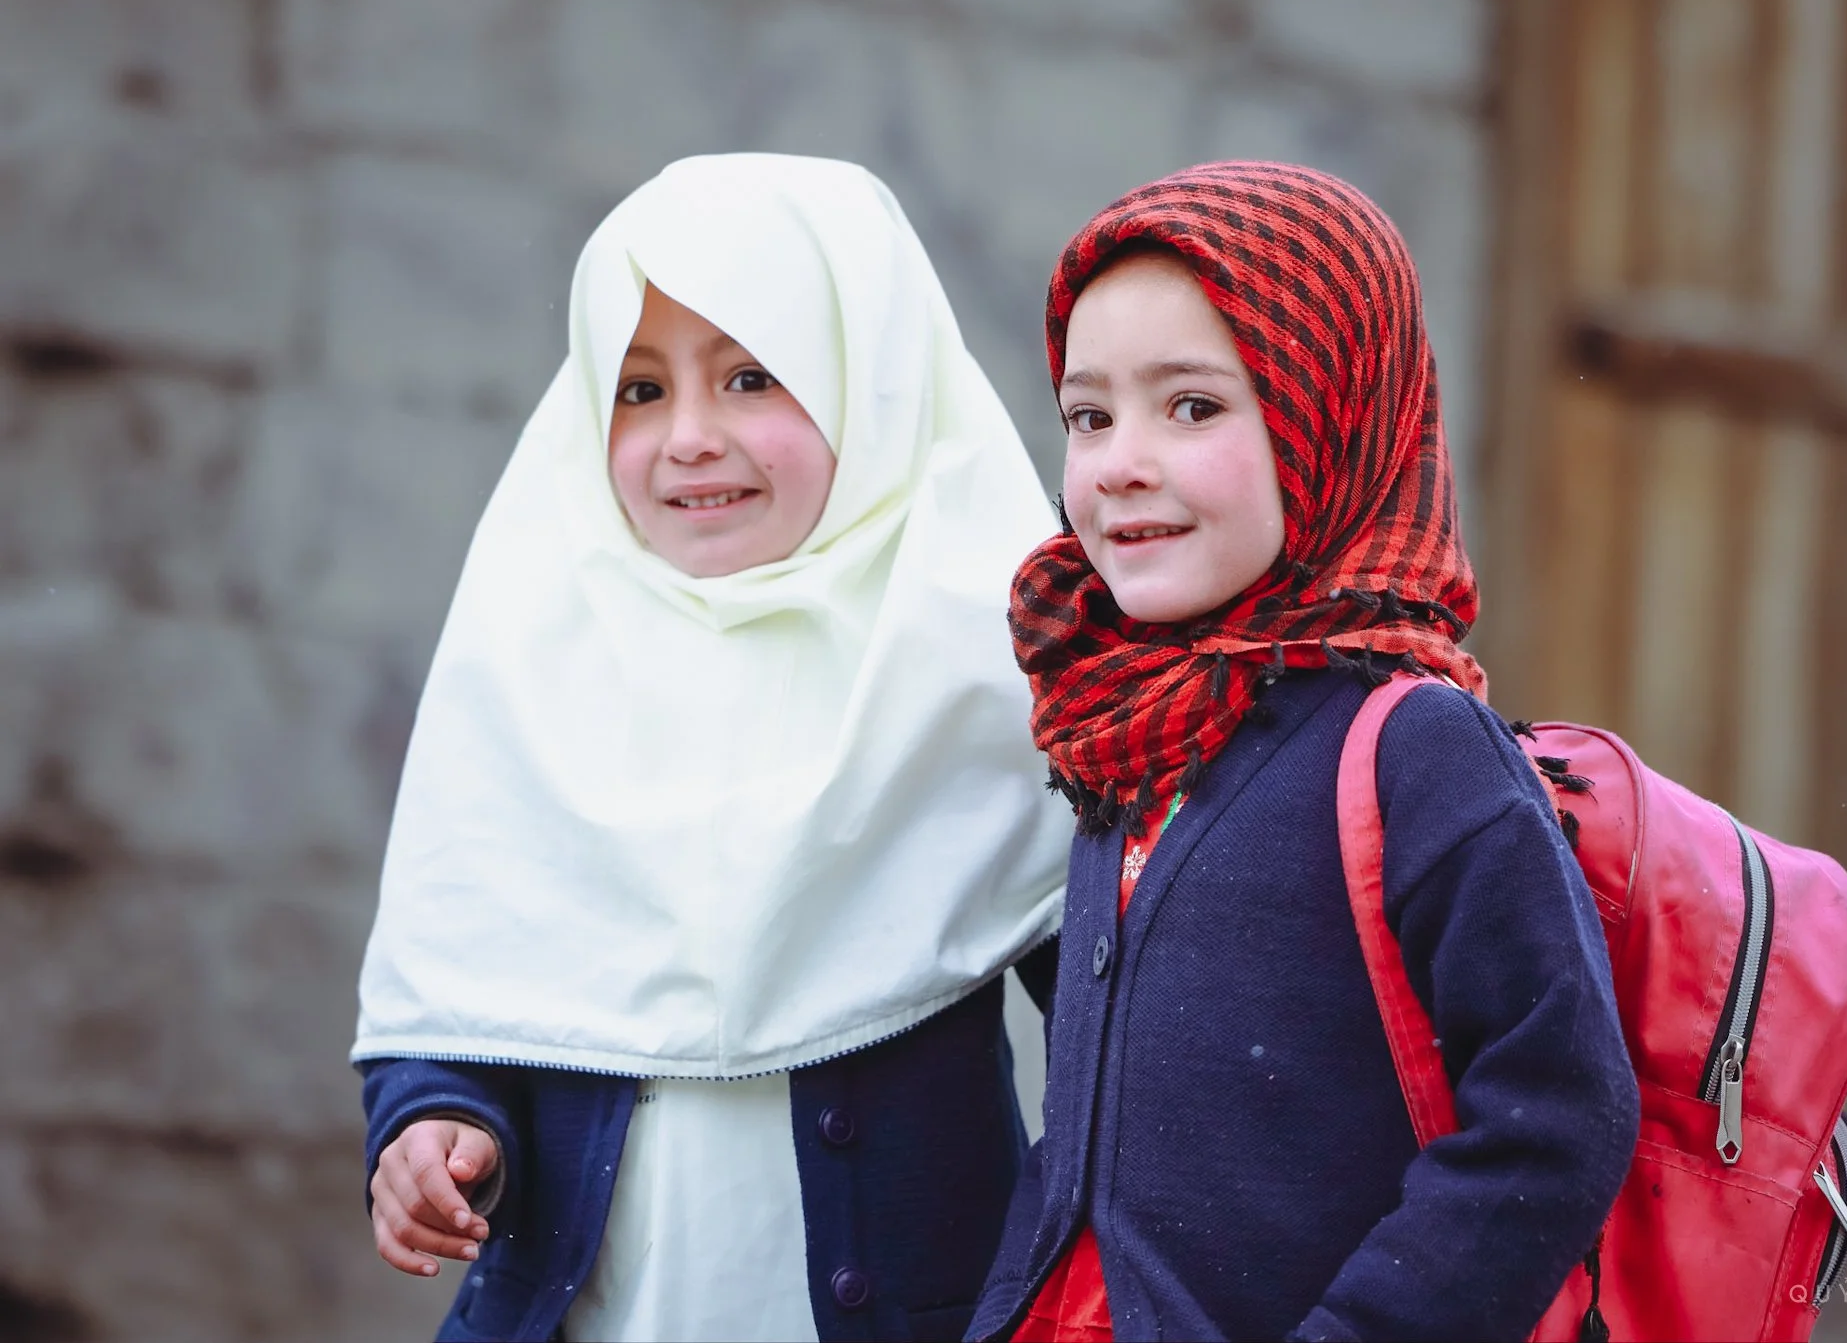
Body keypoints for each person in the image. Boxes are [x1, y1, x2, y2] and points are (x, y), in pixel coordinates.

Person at [351, 153, 1070, 1343]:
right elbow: (464, 969)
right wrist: (437, 1122)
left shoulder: (988, 672)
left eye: (749, 376)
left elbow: (1130, 1040)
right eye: (638, 389)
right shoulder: (540, 664)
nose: (687, 436)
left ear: (870, 384)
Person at [969, 161, 1639, 1342]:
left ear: (1332, 411)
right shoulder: (1119, 733)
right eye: (1088, 415)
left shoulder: (1417, 748)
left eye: (1191, 406)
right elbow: (1076, 1155)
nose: (1119, 460)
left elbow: (1553, 1118)